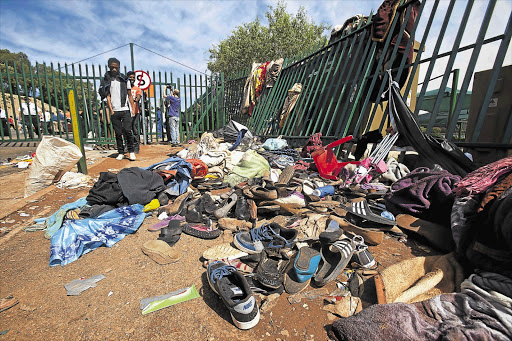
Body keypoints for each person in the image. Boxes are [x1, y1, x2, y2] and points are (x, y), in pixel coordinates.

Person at [100, 57, 136, 161]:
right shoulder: (107, 81)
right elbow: (108, 96)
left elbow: (130, 96)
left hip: (125, 109)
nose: (114, 70)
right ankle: (120, 152)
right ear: (109, 67)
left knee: (127, 130)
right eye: (112, 67)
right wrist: (111, 110)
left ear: (119, 67)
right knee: (118, 133)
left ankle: (131, 151)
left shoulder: (125, 80)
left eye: (116, 68)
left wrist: (132, 108)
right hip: (115, 111)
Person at [127, 71, 142, 153]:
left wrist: (136, 99)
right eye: (130, 77)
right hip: (126, 112)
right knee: (127, 130)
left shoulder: (137, 89)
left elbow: (138, 96)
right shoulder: (125, 88)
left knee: (135, 130)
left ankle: (136, 147)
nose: (132, 79)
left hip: (135, 112)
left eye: (133, 77)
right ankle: (128, 146)